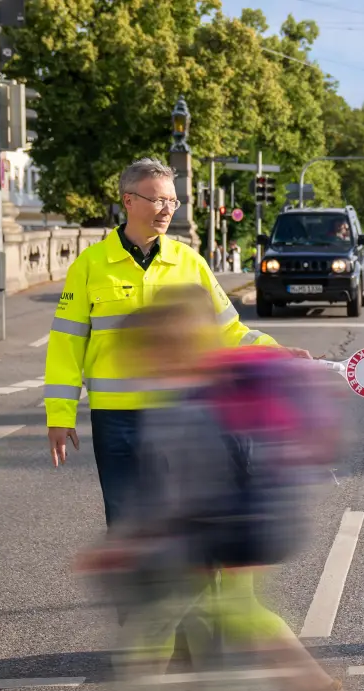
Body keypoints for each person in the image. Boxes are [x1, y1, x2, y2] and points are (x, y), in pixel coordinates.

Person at [78, 292, 343, 691]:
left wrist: (130, 542)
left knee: (144, 653)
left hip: (192, 555)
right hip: (218, 551)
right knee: (219, 658)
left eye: (137, 354)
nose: (130, 366)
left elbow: (180, 496)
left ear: (163, 353)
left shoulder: (184, 409)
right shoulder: (213, 398)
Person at [43, 158, 304, 527]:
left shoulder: (190, 263)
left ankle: (198, 581)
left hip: (181, 410)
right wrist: (60, 415)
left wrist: (276, 353)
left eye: (172, 201)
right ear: (128, 201)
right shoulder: (91, 265)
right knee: (125, 518)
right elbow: (66, 344)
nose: (167, 209)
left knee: (189, 518)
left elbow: (228, 330)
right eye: (157, 200)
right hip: (116, 418)